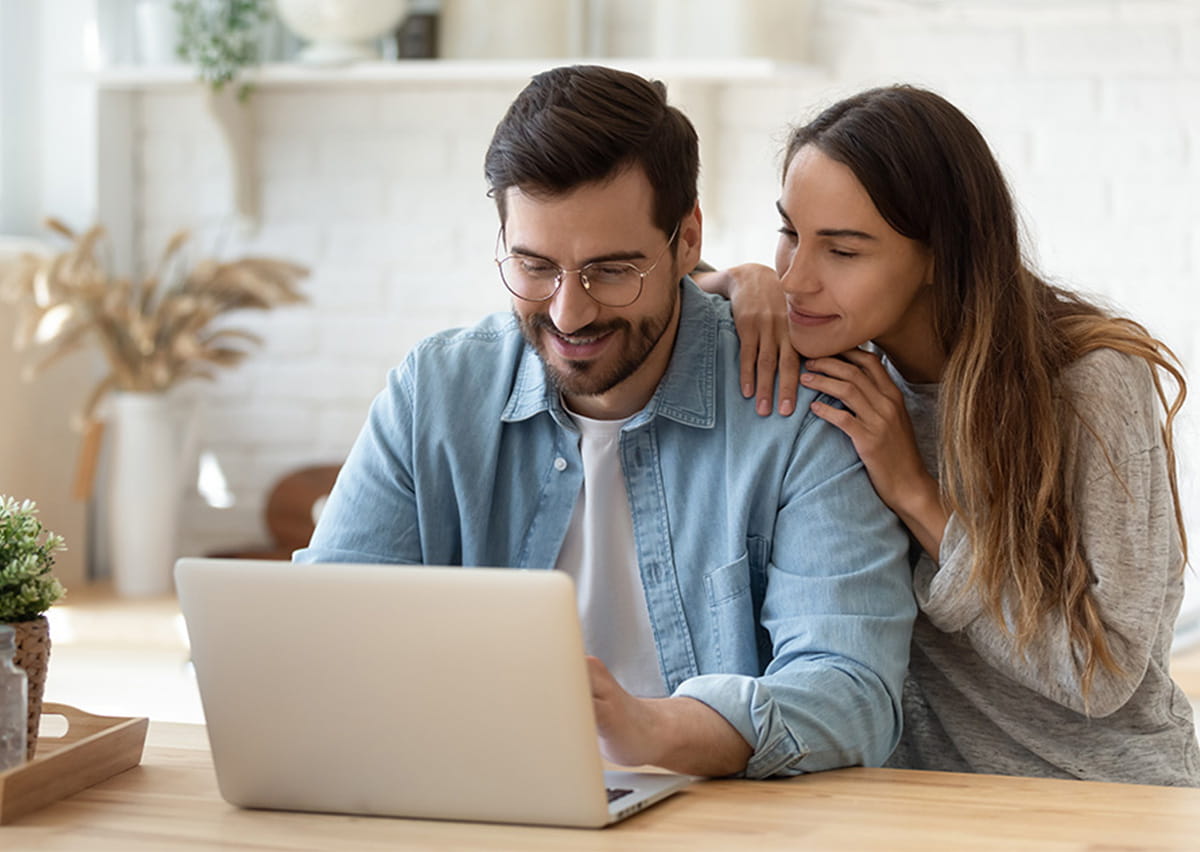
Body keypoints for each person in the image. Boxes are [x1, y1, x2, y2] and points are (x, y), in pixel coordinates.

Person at [294, 65, 917, 779]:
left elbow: (853, 694)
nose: (569, 313)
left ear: (688, 241)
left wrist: (651, 729)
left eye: (611, 271)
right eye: (534, 266)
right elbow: (325, 635)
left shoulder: (795, 408)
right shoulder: (433, 394)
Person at [698, 84, 1199, 786]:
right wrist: (730, 280)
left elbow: (1103, 675)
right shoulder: (838, 361)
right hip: (928, 797)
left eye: (842, 251)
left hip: (1108, 795)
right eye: (789, 234)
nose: (796, 279)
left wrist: (916, 495)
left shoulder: (1092, 382)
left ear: (938, 254)